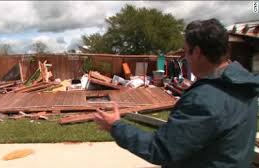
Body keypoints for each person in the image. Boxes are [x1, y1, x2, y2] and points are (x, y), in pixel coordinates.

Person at [94, 18, 259, 168]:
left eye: (186, 52)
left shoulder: (203, 99)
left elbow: (161, 149)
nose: (184, 58)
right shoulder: (245, 86)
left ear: (197, 52)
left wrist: (115, 126)